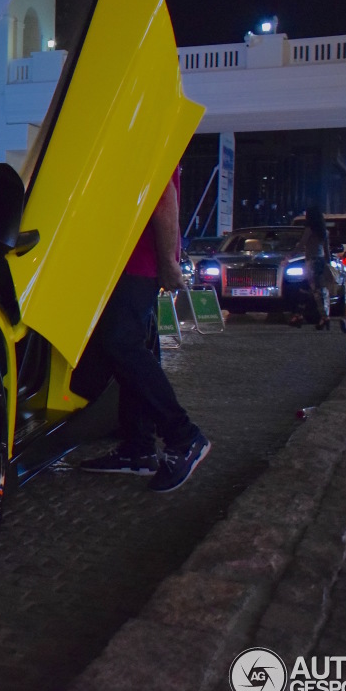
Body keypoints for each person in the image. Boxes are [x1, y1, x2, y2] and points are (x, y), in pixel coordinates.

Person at [77, 166, 211, 493]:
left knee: (121, 345)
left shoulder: (147, 127)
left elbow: (164, 197)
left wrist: (167, 261)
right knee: (127, 347)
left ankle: (184, 436)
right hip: (126, 262)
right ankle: (138, 449)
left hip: (139, 262)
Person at [291, 206, 330, 330]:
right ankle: (298, 315)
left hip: (311, 261)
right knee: (305, 288)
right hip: (320, 260)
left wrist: (290, 256)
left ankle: (324, 317)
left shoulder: (310, 229)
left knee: (315, 291)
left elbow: (302, 243)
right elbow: (326, 250)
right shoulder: (324, 231)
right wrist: (328, 263)